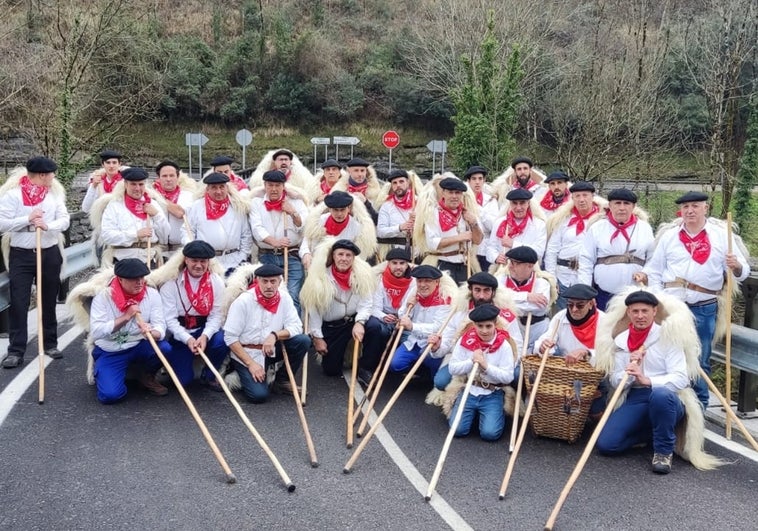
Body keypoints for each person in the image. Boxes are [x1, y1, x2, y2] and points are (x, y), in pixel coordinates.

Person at [635, 191, 750, 410]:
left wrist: (735, 265)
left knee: (700, 359)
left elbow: (743, 273)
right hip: (673, 308)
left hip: (704, 307)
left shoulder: (721, 235)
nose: (690, 211)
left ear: (705, 208)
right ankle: (672, 406)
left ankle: (699, 409)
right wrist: (660, 298)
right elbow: (654, 269)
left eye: (695, 206)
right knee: (669, 354)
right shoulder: (670, 236)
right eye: (686, 207)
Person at [594, 290, 722, 474]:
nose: (640, 316)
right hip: (636, 396)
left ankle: (663, 451)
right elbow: (614, 380)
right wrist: (629, 372)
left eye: (644, 311)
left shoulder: (668, 336)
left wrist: (648, 380)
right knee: (607, 445)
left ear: (654, 311)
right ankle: (654, 432)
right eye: (635, 311)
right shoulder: (621, 341)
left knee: (660, 396)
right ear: (628, 313)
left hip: (668, 397)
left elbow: (681, 378)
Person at [0, 156, 70, 368]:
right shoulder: (12, 196)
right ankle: (16, 350)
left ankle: (50, 343)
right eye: (51, 174)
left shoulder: (54, 196)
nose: (53, 177)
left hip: (49, 252)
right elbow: (2, 224)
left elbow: (65, 219)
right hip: (21, 254)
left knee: (48, 299)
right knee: (19, 302)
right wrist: (27, 219)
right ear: (41, 175)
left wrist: (48, 225)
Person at [224, 264, 310, 403]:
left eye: (273, 281)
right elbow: (230, 338)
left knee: (303, 341)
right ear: (257, 280)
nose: (269, 286)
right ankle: (238, 371)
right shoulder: (243, 301)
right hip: (247, 352)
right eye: (265, 281)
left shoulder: (285, 298)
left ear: (279, 282)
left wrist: (274, 335)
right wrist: (251, 364)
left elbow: (296, 326)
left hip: (271, 349)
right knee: (259, 396)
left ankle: (282, 380)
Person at [89, 259, 170, 403]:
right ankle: (108, 373)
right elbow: (96, 331)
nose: (139, 282)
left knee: (165, 348)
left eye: (141, 278)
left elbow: (160, 326)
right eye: (133, 279)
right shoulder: (103, 297)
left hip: (137, 344)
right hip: (111, 350)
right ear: (120, 279)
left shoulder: (151, 294)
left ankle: (146, 375)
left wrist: (152, 333)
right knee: (110, 395)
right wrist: (125, 317)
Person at [431, 271, 522, 392]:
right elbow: (447, 341)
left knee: (515, 376)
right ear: (470, 290)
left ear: (493, 292)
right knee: (441, 382)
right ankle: (462, 397)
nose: (481, 296)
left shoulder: (506, 315)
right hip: (466, 362)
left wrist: (504, 369)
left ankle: (498, 397)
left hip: (497, 364)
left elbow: (517, 345)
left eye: (486, 290)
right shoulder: (459, 313)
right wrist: (437, 347)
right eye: (477, 290)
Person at [157, 240, 229, 389]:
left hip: (204, 329)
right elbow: (169, 320)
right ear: (186, 260)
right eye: (194, 261)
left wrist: (205, 336)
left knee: (222, 340)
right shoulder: (171, 283)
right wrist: (187, 339)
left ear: (208, 262)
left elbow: (216, 315)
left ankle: (209, 375)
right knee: (184, 381)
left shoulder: (216, 282)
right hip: (180, 334)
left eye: (203, 261)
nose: (198, 265)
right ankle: (174, 367)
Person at [300, 239, 374, 377]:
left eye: (348, 255)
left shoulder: (362, 276)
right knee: (331, 370)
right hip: (333, 327)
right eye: (340, 254)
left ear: (353, 258)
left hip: (354, 321)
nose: (344, 259)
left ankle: (365, 367)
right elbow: (313, 310)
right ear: (333, 256)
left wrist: (360, 322)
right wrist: (317, 337)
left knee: (376, 327)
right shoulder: (320, 278)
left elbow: (366, 303)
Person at [534, 283, 606, 418]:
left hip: (594, 375)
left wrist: (587, 352)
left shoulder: (604, 321)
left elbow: (610, 355)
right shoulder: (560, 317)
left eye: (580, 305)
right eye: (570, 304)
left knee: (596, 414)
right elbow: (543, 341)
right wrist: (543, 346)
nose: (573, 310)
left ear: (591, 304)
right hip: (565, 374)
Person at [447, 304, 516, 441]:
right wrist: (471, 361)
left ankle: (494, 413)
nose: (484, 331)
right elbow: (452, 368)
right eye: (480, 326)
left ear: (495, 324)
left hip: (492, 393)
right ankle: (470, 414)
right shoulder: (465, 340)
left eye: (488, 326)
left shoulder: (504, 345)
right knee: (458, 430)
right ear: (474, 325)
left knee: (489, 434)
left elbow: (508, 377)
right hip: (469, 390)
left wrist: (486, 366)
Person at [577, 188, 654, 310]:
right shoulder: (597, 228)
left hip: (636, 296)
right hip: (603, 295)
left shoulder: (645, 228)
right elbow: (586, 260)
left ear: (633, 206)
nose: (622, 208)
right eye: (617, 203)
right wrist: (585, 292)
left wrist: (645, 273)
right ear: (610, 206)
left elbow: (653, 259)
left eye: (626, 203)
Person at [249, 169, 309, 312]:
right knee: (269, 295)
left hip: (292, 255)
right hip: (267, 255)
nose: (274, 189)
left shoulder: (297, 202)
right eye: (270, 185)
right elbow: (257, 229)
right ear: (265, 185)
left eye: (277, 185)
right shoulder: (256, 203)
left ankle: (292, 331)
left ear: (284, 186)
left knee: (293, 294)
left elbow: (304, 227)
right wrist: (275, 242)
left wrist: (293, 213)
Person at [544, 181, 605, 310]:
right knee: (565, 315)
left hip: (591, 278)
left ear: (593, 197)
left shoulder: (601, 222)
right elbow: (552, 250)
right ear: (572, 198)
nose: (581, 200)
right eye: (577, 196)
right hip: (564, 277)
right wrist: (552, 278)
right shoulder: (563, 220)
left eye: (585, 195)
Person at [388, 265, 455, 380]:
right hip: (414, 341)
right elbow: (403, 316)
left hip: (433, 344)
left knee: (434, 371)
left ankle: (430, 375)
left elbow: (438, 327)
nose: (422, 285)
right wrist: (408, 306)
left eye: (427, 281)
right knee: (395, 365)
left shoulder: (445, 298)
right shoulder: (414, 292)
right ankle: (421, 371)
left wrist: (412, 326)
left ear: (436, 282)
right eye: (419, 281)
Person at [362, 247, 415, 385]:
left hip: (404, 318)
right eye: (394, 263)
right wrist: (383, 316)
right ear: (388, 264)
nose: (398, 267)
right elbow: (373, 307)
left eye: (402, 263)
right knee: (375, 328)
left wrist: (402, 318)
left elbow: (412, 308)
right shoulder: (379, 279)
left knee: (412, 339)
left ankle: (402, 368)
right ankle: (366, 368)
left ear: (408, 265)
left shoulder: (414, 282)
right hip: (382, 317)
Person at [97, 167, 170, 267]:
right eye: (133, 184)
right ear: (125, 184)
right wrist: (135, 235)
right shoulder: (115, 205)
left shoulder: (153, 204)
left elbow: (165, 236)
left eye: (141, 184)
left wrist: (156, 215)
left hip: (149, 259)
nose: (137, 188)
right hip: (122, 261)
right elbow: (107, 236)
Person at [185, 172, 252, 275]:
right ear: (207, 189)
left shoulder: (238, 206)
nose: (219, 191)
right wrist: (195, 253)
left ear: (227, 188)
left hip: (234, 260)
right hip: (207, 261)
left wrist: (242, 256)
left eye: (222, 187)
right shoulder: (196, 207)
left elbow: (246, 234)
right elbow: (188, 231)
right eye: (214, 188)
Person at [418, 176, 483, 284]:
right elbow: (433, 243)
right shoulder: (433, 214)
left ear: (461, 195)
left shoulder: (467, 213)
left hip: (464, 264)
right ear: (443, 193)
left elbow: (478, 240)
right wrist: (459, 238)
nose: (454, 196)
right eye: (450, 192)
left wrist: (474, 223)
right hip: (442, 263)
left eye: (457, 193)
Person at [300, 190, 377, 270]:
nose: (339, 214)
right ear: (329, 209)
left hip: (344, 268)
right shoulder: (319, 222)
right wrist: (306, 254)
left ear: (349, 208)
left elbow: (359, 255)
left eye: (342, 209)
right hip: (320, 265)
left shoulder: (356, 227)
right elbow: (306, 241)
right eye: (335, 210)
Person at [496, 246, 552, 353]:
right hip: (511, 328)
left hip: (536, 328)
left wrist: (509, 302)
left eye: (515, 263)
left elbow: (539, 308)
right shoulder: (500, 279)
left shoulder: (542, 283)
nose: (510, 266)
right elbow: (498, 301)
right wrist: (526, 296)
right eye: (510, 262)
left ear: (529, 266)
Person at [485, 188, 547, 265]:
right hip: (504, 268)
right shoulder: (500, 222)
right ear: (510, 204)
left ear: (528, 203)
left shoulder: (539, 224)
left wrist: (513, 244)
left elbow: (539, 252)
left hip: (528, 270)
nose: (518, 207)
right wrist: (495, 257)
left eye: (522, 203)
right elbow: (490, 248)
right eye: (514, 203)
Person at [150, 160, 196, 259]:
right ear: (158, 178)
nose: (168, 179)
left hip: (180, 250)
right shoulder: (150, 197)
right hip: (157, 251)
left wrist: (163, 201)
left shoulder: (189, 197)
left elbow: (185, 215)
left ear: (178, 177)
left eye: (172, 175)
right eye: (164, 176)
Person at [462, 165, 499, 273]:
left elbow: (494, 226)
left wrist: (479, 210)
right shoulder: (463, 200)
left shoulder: (491, 200)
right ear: (468, 181)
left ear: (484, 180)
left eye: (480, 179)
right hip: (469, 249)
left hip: (485, 250)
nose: (477, 182)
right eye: (474, 179)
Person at [332, 157, 381, 224]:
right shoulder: (339, 190)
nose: (360, 174)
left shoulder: (376, 192)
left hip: (366, 231)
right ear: (349, 171)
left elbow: (377, 220)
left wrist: (366, 202)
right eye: (356, 170)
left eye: (362, 170)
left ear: (366, 172)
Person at [376, 169, 416, 249]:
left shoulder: (419, 202)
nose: (398, 185)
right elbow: (380, 232)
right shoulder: (386, 206)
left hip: (416, 251)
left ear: (408, 183)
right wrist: (400, 228)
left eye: (401, 182)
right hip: (394, 251)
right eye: (395, 183)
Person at [81, 149, 125, 213]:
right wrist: (93, 186)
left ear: (119, 164)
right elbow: (86, 208)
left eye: (114, 162)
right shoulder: (98, 181)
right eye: (108, 163)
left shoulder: (126, 181)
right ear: (102, 165)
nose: (111, 166)